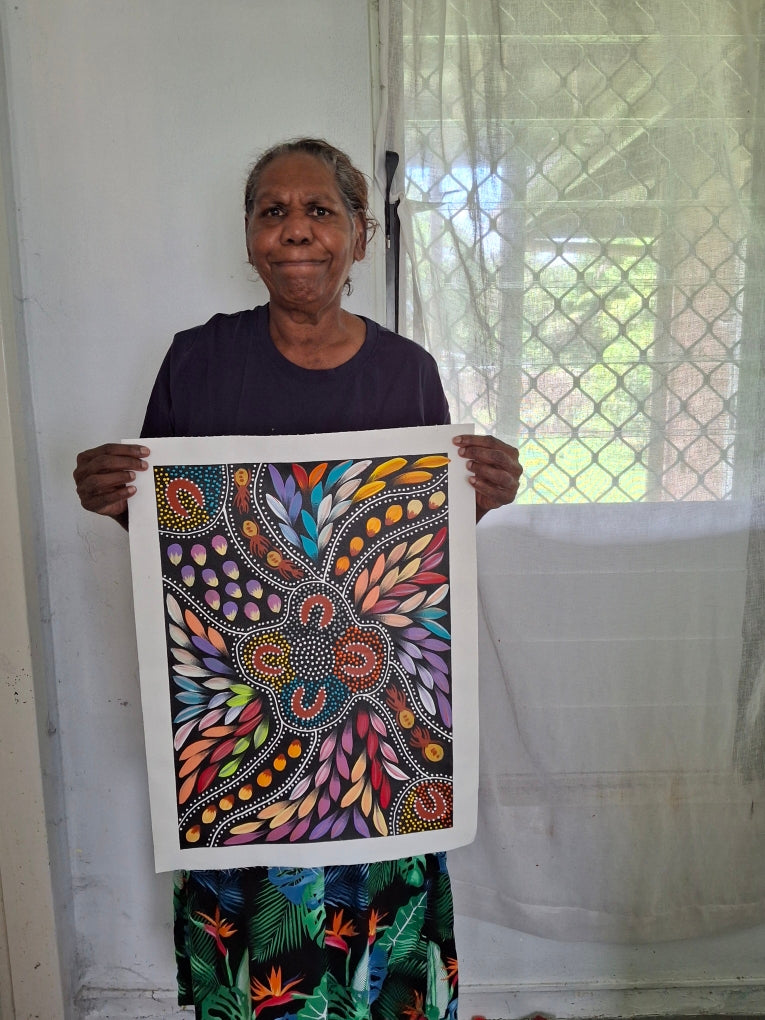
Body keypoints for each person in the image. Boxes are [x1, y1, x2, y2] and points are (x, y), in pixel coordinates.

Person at [74, 138, 522, 1020]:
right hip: (241, 729)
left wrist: (478, 501)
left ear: (359, 233)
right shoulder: (198, 363)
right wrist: (113, 501)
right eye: (271, 212)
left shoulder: (404, 372)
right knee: (259, 957)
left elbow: (413, 555)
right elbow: (179, 546)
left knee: (374, 942)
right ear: (247, 236)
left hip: (376, 740)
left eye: (319, 211)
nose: (295, 232)